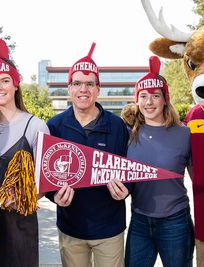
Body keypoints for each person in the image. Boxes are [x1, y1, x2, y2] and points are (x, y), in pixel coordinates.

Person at [45, 42, 130, 267]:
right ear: (69, 88)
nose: (83, 89)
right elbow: (44, 174)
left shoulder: (117, 125)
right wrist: (53, 196)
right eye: (77, 83)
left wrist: (126, 190)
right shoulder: (54, 126)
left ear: (98, 89)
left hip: (109, 227)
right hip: (71, 227)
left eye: (90, 84)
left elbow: (129, 168)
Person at [0, 38, 50, 267]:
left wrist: (24, 196)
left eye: (5, 80)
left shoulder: (36, 126)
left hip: (20, 228)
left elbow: (48, 180)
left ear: (16, 84)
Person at [121, 56, 194, 267]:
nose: (149, 102)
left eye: (155, 95)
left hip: (175, 221)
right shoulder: (129, 134)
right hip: (139, 220)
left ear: (165, 99)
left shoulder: (184, 134)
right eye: (143, 96)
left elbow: (202, 179)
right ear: (137, 100)